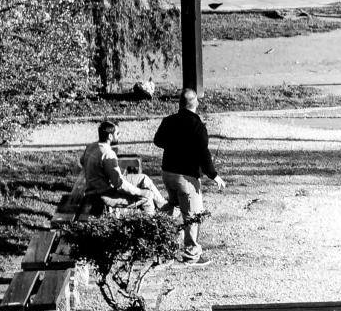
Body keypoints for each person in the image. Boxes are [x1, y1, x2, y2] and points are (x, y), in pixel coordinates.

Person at [153, 88, 225, 261]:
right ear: (196, 104)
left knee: (173, 204)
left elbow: (158, 141)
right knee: (192, 214)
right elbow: (203, 154)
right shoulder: (197, 126)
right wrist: (214, 175)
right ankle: (191, 254)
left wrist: (174, 145)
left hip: (167, 173)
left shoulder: (168, 121)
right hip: (186, 177)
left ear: (180, 103)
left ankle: (155, 236)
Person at [65, 121, 161, 216]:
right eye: (117, 133)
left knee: (143, 179)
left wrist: (99, 174)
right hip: (104, 194)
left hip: (101, 186)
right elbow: (119, 184)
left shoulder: (92, 146)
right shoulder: (107, 154)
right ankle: (150, 225)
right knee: (147, 197)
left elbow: (82, 161)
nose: (119, 135)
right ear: (110, 136)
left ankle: (164, 206)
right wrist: (141, 192)